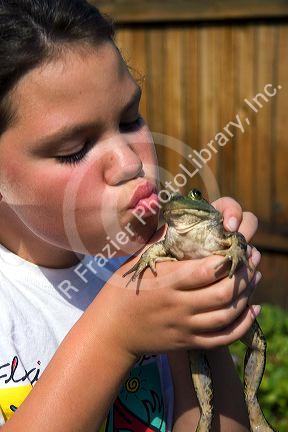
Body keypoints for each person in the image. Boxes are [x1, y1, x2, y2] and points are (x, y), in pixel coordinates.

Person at [0, 1, 262, 431]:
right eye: (74, 150)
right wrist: (114, 335)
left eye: (129, 119)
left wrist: (198, 308)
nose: (128, 162)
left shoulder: (144, 262)